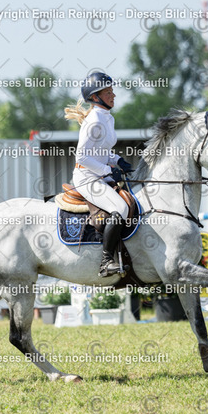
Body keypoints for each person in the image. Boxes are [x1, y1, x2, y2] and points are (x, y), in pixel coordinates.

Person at [64, 72, 133, 277]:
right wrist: (108, 170)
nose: (113, 95)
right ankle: (106, 262)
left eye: (112, 91)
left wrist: (117, 160)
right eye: (108, 92)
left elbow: (101, 151)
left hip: (99, 174)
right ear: (95, 97)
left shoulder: (107, 118)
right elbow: (82, 156)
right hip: (87, 177)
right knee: (120, 208)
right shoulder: (94, 120)